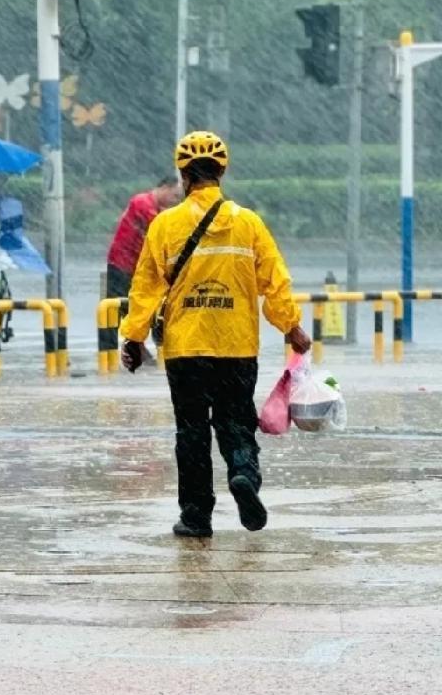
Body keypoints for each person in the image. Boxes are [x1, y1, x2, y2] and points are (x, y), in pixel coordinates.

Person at [119, 131, 311, 539]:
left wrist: (133, 338)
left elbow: (145, 287)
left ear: (184, 175)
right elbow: (275, 282)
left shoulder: (165, 225)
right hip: (236, 345)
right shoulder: (249, 223)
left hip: (186, 348)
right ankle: (243, 472)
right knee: (235, 421)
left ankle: (196, 516)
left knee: (191, 430)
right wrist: (291, 327)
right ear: (221, 171)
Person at [106, 177, 181, 299]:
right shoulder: (142, 202)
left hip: (134, 267)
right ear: (165, 188)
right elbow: (159, 230)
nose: (175, 201)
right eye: (175, 196)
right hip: (122, 264)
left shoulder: (154, 208)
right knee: (118, 306)